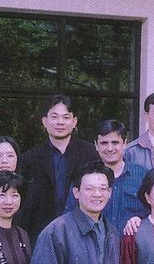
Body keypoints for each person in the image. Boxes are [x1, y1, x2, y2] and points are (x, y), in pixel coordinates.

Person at [20, 94, 99, 244]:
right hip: (42, 236)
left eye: (66, 117)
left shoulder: (90, 154)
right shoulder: (30, 159)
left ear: (74, 122)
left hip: (84, 234)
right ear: (44, 122)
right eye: (54, 117)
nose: (60, 122)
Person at [65, 120, 148, 235]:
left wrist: (141, 219)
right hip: (93, 244)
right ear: (96, 145)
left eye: (115, 143)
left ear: (125, 143)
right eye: (104, 143)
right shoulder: (83, 176)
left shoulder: (143, 176)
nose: (109, 148)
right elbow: (69, 216)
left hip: (132, 244)